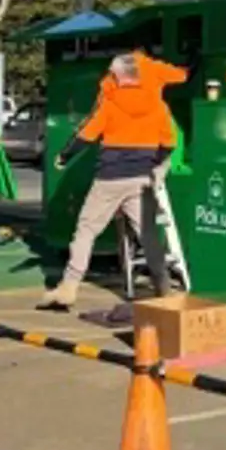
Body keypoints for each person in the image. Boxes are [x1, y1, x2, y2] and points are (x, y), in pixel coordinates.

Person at [36, 50, 187, 311]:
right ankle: (163, 287)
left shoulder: (111, 103)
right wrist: (153, 163)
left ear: (118, 77)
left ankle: (69, 286)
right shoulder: (157, 104)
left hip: (109, 179)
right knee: (149, 235)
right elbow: (169, 142)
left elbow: (86, 135)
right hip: (141, 178)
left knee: (86, 231)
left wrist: (64, 156)